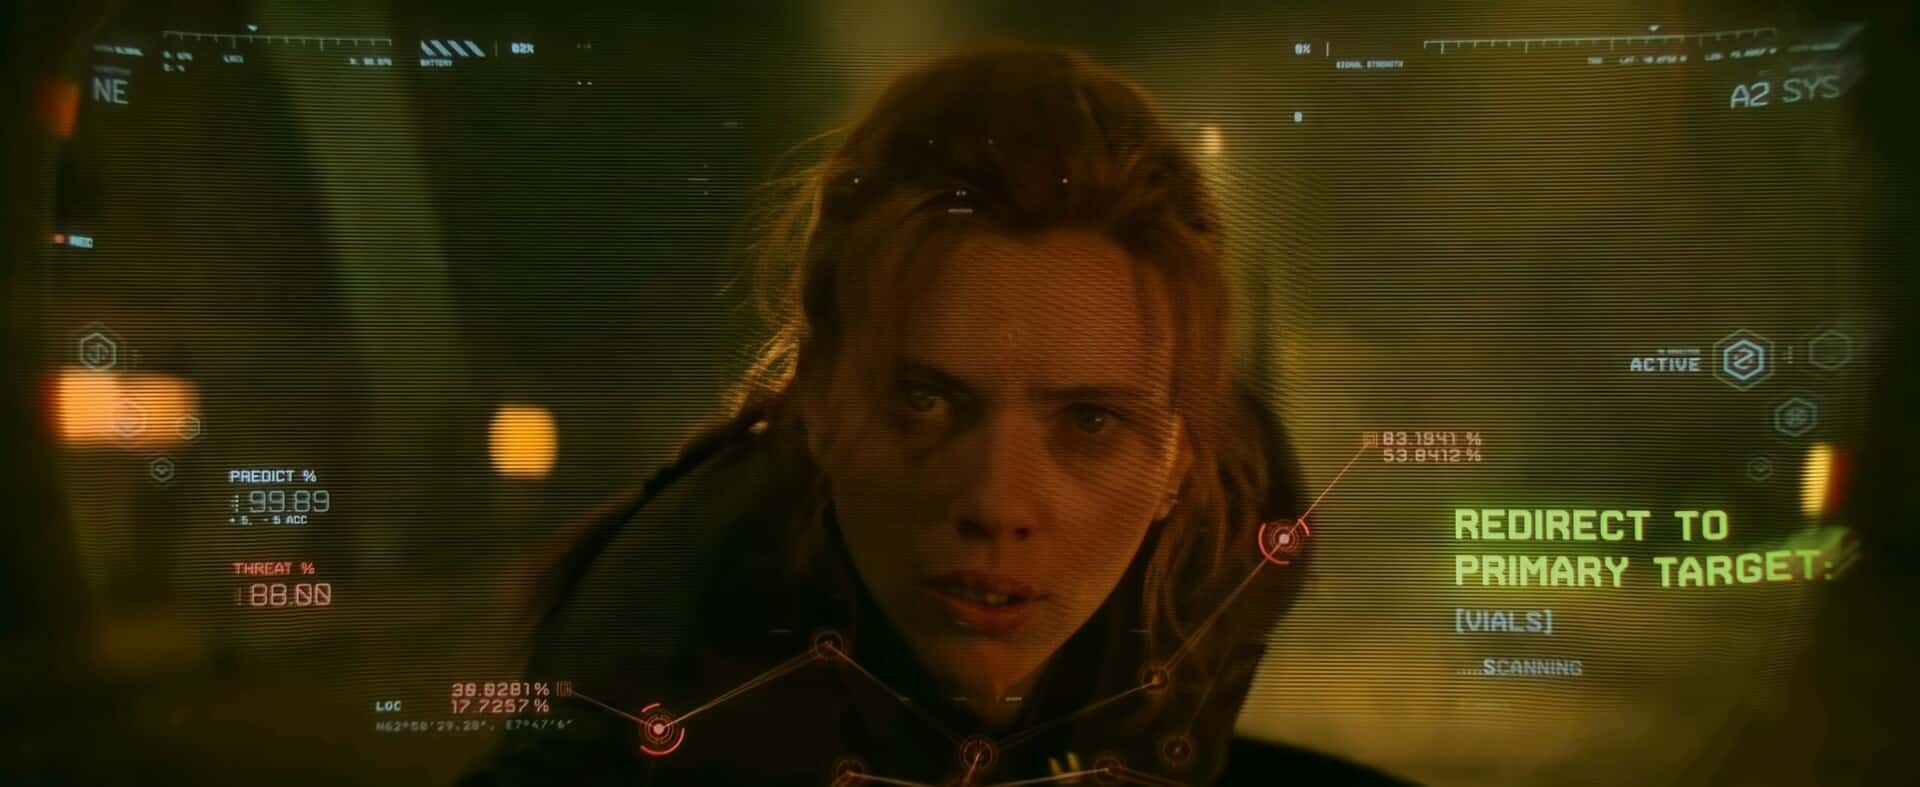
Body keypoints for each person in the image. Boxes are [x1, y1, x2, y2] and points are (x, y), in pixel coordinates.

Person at [462, 41, 1337, 786]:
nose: (995, 501)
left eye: (1089, 423)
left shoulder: (1238, 542)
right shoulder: (657, 668)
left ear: (1183, 458)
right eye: (925, 400)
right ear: (815, 400)